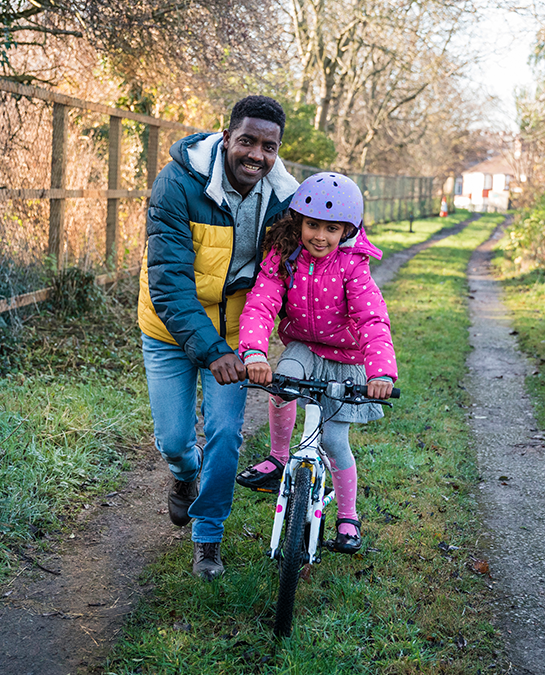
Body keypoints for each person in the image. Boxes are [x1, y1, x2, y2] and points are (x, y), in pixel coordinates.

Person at [138, 95, 298, 581]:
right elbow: (168, 281)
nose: (256, 155)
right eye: (246, 141)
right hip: (171, 327)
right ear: (226, 137)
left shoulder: (284, 198)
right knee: (173, 440)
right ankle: (186, 476)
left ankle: (208, 537)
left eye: (268, 147)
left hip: (235, 334)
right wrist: (210, 351)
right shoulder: (178, 183)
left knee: (226, 435)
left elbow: (318, 248)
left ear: (277, 151)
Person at [235, 172, 397, 554]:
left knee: (333, 440)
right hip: (304, 348)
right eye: (312, 225)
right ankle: (278, 459)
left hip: (345, 360)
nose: (319, 236)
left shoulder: (352, 266)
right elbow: (262, 303)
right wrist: (255, 352)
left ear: (347, 230)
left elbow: (372, 319)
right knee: (283, 382)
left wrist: (380, 373)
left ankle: (347, 517)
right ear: (298, 221)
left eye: (331, 228)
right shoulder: (284, 255)